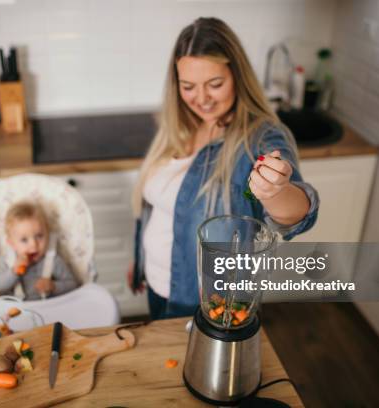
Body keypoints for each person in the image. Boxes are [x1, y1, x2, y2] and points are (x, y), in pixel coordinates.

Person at [128, 17, 320, 320]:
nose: (201, 99)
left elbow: (296, 216)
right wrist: (139, 257)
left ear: (238, 77)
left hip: (207, 303)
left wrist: (277, 189)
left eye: (215, 84)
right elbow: (159, 207)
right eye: (188, 86)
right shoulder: (178, 125)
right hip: (155, 284)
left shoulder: (262, 137)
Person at [0, 201, 78, 300]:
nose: (34, 244)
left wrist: (53, 286)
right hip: (18, 309)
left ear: (48, 235)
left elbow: (72, 285)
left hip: (47, 307)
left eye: (39, 236)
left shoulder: (53, 260)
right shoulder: (8, 261)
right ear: (11, 243)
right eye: (24, 240)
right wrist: (14, 271)